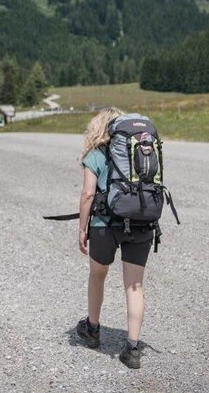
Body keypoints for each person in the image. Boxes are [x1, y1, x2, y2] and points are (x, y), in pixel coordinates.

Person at [74, 107, 155, 369]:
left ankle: (92, 329)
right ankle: (132, 348)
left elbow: (88, 194)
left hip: (104, 225)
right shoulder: (140, 153)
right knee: (135, 286)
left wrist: (82, 228)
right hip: (141, 221)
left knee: (98, 275)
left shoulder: (95, 155)